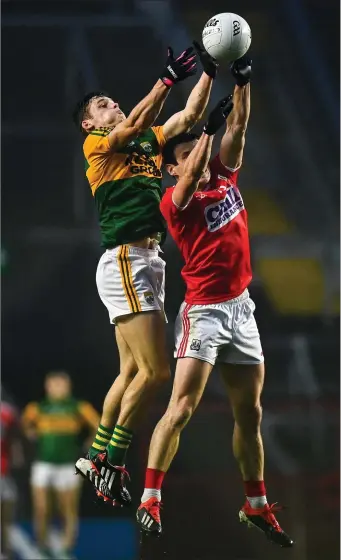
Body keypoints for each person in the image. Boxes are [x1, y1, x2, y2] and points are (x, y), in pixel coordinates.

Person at [136, 57, 294, 548]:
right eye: (183, 153)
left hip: (241, 309)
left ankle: (255, 504)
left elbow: (240, 125)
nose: (195, 157)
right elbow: (188, 179)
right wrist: (206, 128)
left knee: (252, 415)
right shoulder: (174, 202)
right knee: (181, 408)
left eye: (194, 150)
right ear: (171, 166)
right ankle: (150, 497)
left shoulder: (225, 175)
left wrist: (244, 80)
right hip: (203, 313)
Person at [72, 43, 218, 505]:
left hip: (143, 263)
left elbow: (187, 118)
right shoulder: (98, 145)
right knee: (156, 374)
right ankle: (111, 460)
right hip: (126, 260)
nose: (110, 104)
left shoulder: (147, 141)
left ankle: (94, 455)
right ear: (89, 123)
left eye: (111, 99)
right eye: (102, 105)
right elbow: (133, 125)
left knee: (132, 369)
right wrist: (165, 79)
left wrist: (210, 72)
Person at [22, 371, 100, 558]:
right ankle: (42, 547)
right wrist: (29, 434)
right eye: (54, 384)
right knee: (41, 508)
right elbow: (23, 426)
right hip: (43, 464)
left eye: (61, 384)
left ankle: (66, 548)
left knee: (67, 509)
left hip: (68, 465)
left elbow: (99, 425)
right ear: (47, 387)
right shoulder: (37, 408)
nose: (58, 388)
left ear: (68, 386)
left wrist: (91, 443)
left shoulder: (79, 407)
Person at [1, 392, 24, 560]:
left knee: (7, 517)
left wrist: (17, 454)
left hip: (3, 473)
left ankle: (6, 552)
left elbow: (16, 436)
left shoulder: (7, 412)